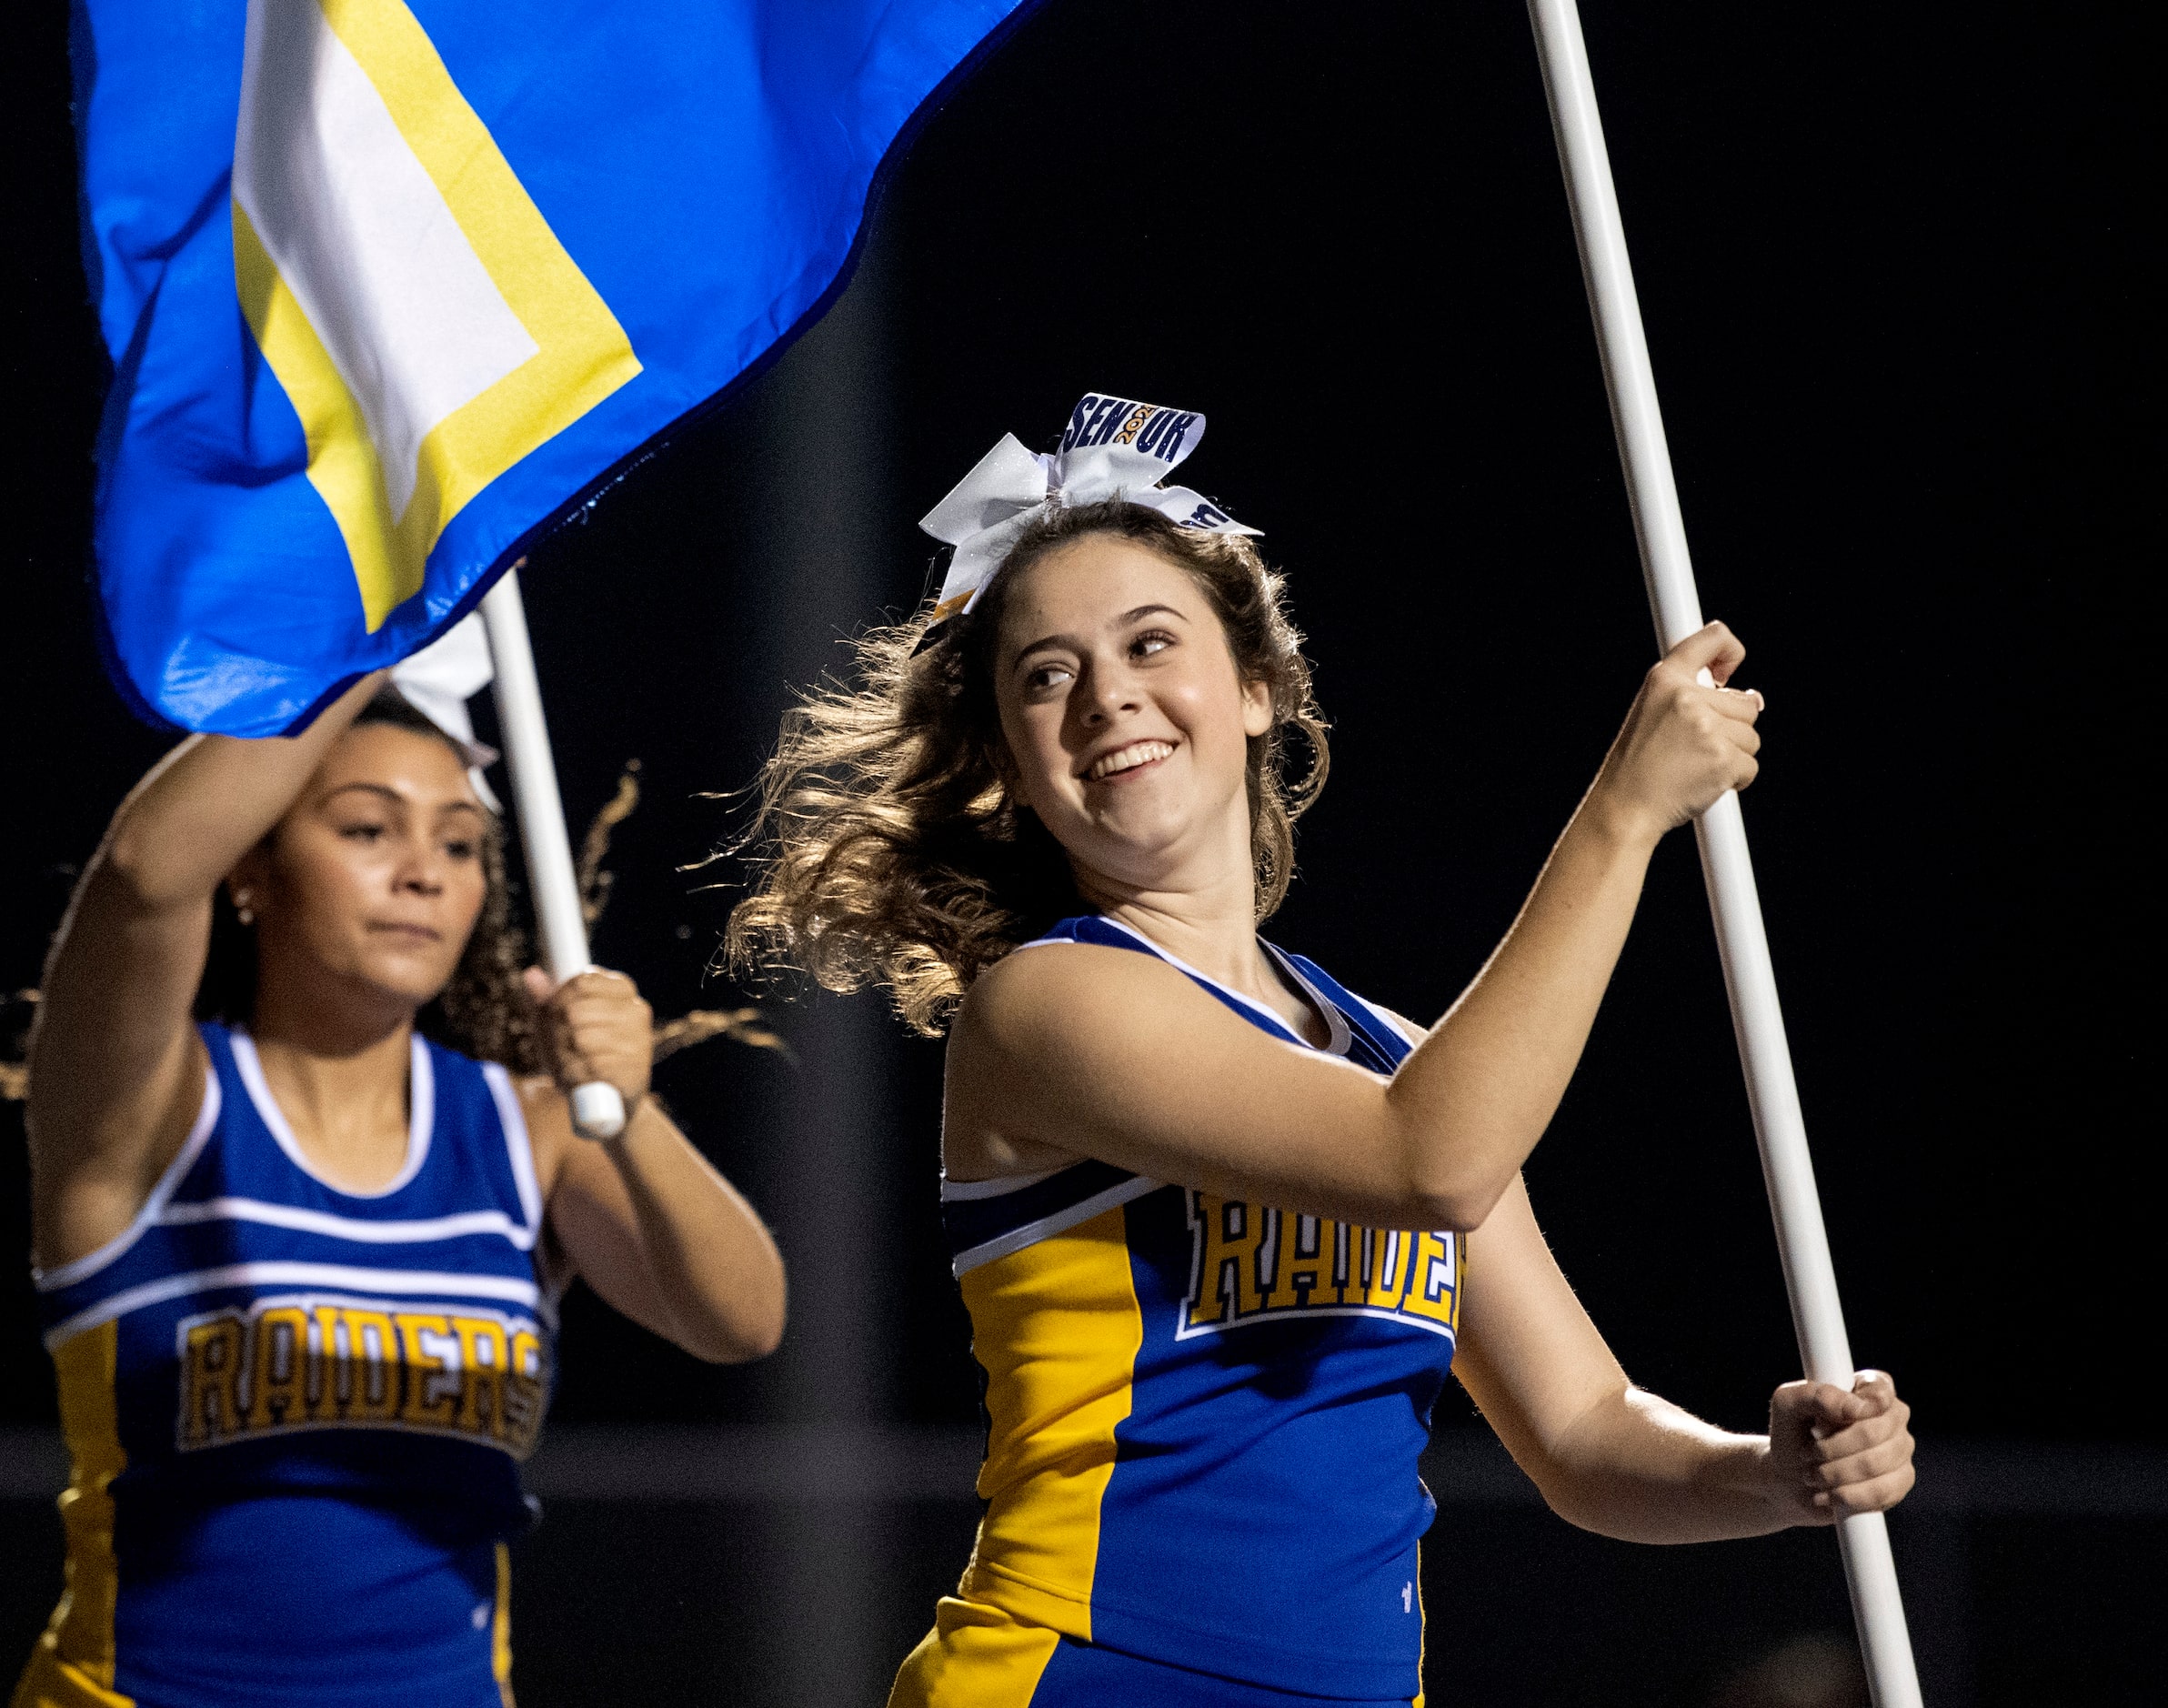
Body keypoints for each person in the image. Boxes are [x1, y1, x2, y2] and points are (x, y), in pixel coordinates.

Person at [727, 395, 1914, 1706]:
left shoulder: (1391, 1053)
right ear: (1011, 761)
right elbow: (1432, 1162)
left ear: (1256, 685)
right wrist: (1625, 815)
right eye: (1047, 673)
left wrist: (1772, 1473)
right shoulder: (1049, 1005)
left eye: (1149, 639)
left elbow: (1582, 1435)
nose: (1107, 690)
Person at [12, 674, 786, 1708]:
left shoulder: (528, 1129)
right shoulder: (149, 1111)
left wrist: (627, 1106)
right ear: (251, 871)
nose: (423, 872)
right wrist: (387, 617)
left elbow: (741, 1321)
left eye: (460, 844)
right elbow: (148, 870)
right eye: (368, 829)